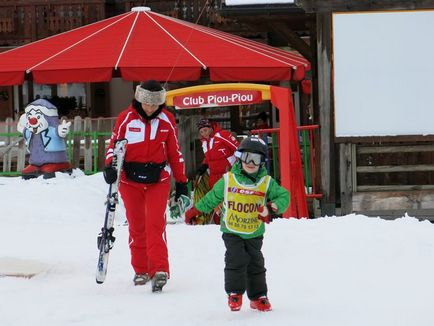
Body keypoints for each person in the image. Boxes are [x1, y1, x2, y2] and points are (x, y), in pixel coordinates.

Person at [184, 137, 290, 311]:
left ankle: (258, 296)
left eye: (256, 159)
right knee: (236, 258)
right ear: (240, 157)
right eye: (247, 157)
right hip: (232, 229)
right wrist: (195, 211)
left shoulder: (266, 182)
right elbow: (212, 198)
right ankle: (235, 292)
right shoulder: (228, 180)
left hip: (254, 231)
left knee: (256, 262)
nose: (250, 163)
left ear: (262, 162)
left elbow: (284, 196)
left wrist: (271, 208)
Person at [103, 80, 188, 292]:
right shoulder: (126, 118)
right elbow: (113, 145)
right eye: (146, 104)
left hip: (157, 179)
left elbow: (174, 153)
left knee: (155, 224)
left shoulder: (167, 120)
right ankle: (141, 269)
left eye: (154, 105)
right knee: (137, 225)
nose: (150, 108)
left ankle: (159, 269)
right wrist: (110, 166)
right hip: (129, 180)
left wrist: (182, 182)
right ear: (139, 100)